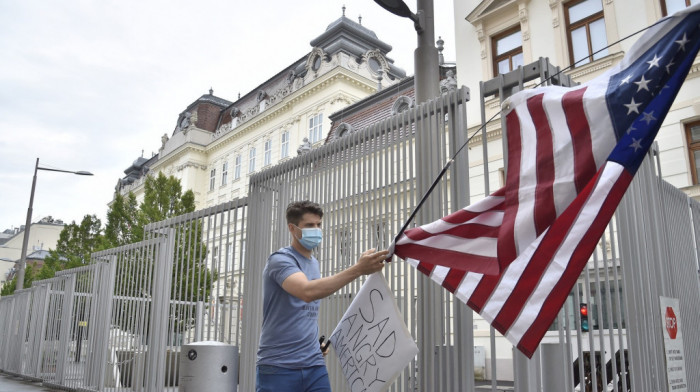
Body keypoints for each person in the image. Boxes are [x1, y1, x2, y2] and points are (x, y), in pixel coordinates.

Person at [256, 200, 389, 392]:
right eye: (310, 225)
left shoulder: (314, 263)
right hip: (279, 367)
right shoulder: (280, 260)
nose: (316, 230)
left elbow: (300, 312)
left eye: (319, 224)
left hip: (313, 364)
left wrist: (312, 343)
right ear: (292, 229)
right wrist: (358, 269)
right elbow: (307, 292)